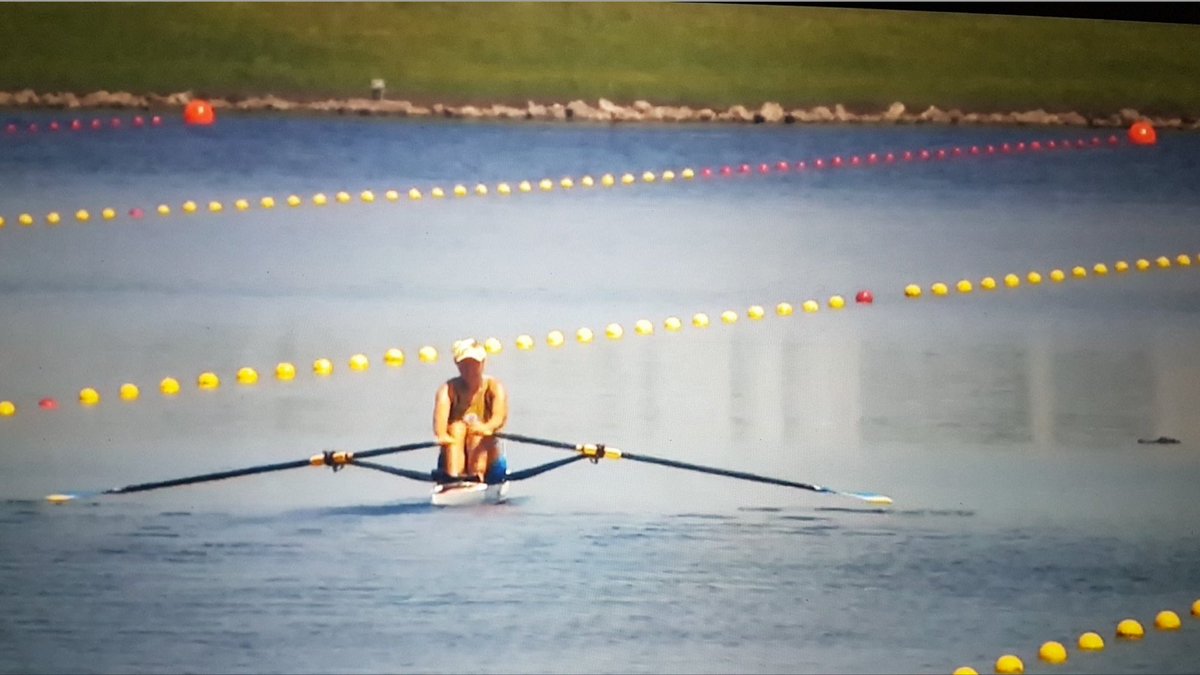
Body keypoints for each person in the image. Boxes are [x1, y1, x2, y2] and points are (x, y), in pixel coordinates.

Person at [432, 338, 509, 484]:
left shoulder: (494, 387)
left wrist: (486, 428)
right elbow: (440, 428)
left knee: (477, 435)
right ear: (457, 364)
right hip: (454, 449)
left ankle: (477, 475)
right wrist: (442, 436)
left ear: (483, 363)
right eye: (465, 364)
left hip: (488, 457)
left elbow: (498, 418)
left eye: (474, 363)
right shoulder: (447, 390)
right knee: (456, 429)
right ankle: (454, 477)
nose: (470, 369)